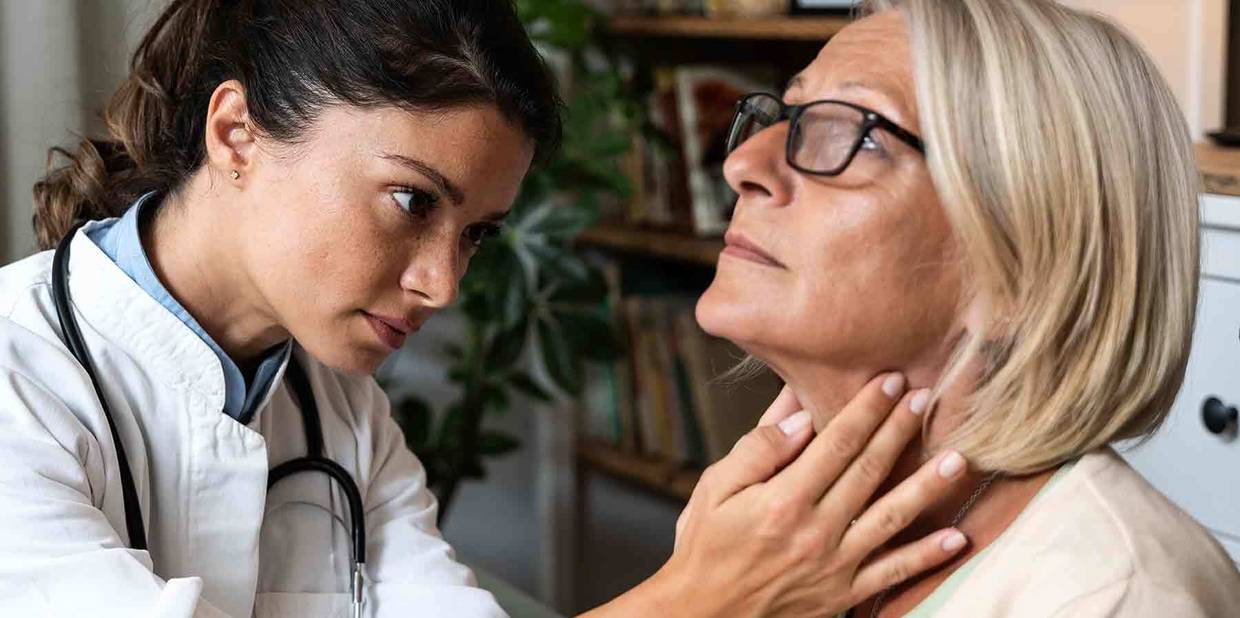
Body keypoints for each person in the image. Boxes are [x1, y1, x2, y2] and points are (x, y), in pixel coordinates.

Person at [0, 0, 975, 616]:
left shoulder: (340, 408)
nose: (443, 284)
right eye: (411, 202)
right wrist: (703, 594)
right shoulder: (17, 376)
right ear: (237, 133)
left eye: (474, 234)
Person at [692, 0, 1240, 616]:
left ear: (1021, 271)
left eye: (855, 133)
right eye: (787, 116)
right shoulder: (759, 533)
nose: (741, 164)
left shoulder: (1114, 595)